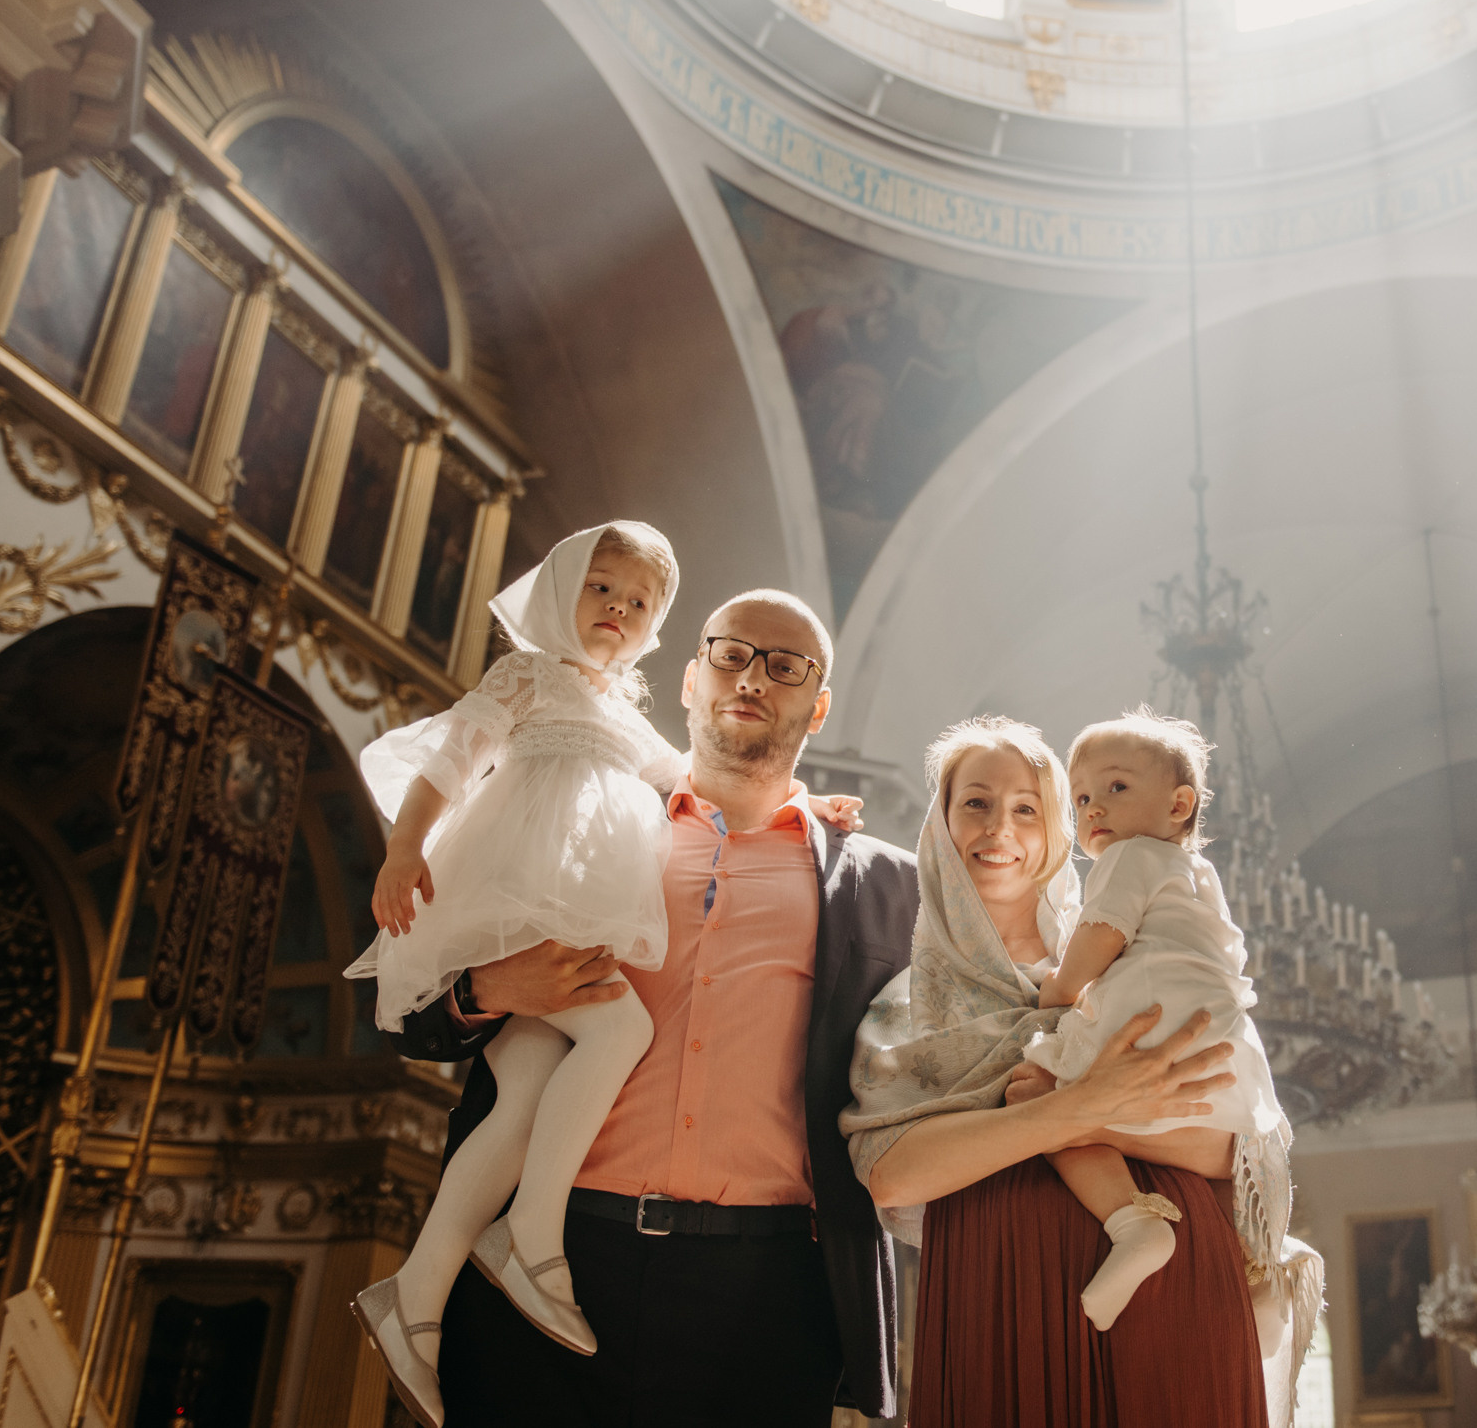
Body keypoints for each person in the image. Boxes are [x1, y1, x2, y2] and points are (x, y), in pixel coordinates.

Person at [381, 587, 911, 1426]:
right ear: (691, 679)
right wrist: (492, 990)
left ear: (818, 708)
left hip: (764, 1293)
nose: (752, 678)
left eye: (786, 666)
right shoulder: (575, 825)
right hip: (547, 1257)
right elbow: (411, 1009)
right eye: (731, 653)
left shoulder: (887, 886)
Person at [345, 522, 687, 1426]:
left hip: (575, 902)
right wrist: (403, 849)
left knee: (524, 1104)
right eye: (601, 588)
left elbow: (695, 782)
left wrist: (808, 800)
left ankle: (413, 1301)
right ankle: (531, 1232)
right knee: (624, 1029)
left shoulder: (624, 710)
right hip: (520, 897)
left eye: (638, 601)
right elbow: (453, 759)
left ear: (655, 624)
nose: (617, 610)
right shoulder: (529, 673)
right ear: (563, 589)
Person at [842, 716, 1270, 1427]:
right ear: (938, 827)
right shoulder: (905, 1005)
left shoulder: (1139, 974)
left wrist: (1090, 1115)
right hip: (999, 1289)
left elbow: (1233, 1147)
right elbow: (893, 1175)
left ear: (1058, 835)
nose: (998, 828)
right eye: (974, 802)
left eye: (1027, 809)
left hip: (1175, 1278)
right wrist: (1072, 1112)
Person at [1024, 708, 1292, 1332]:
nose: (1093, 810)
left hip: (1146, 1030)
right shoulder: (1200, 874)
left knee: (1044, 1110)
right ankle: (1259, 1269)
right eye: (1083, 796)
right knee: (1217, 1175)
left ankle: (1134, 1226)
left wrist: (1058, 990)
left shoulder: (1128, 858)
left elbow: (1099, 938)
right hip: (1224, 1057)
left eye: (1116, 788)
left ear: (1179, 805)